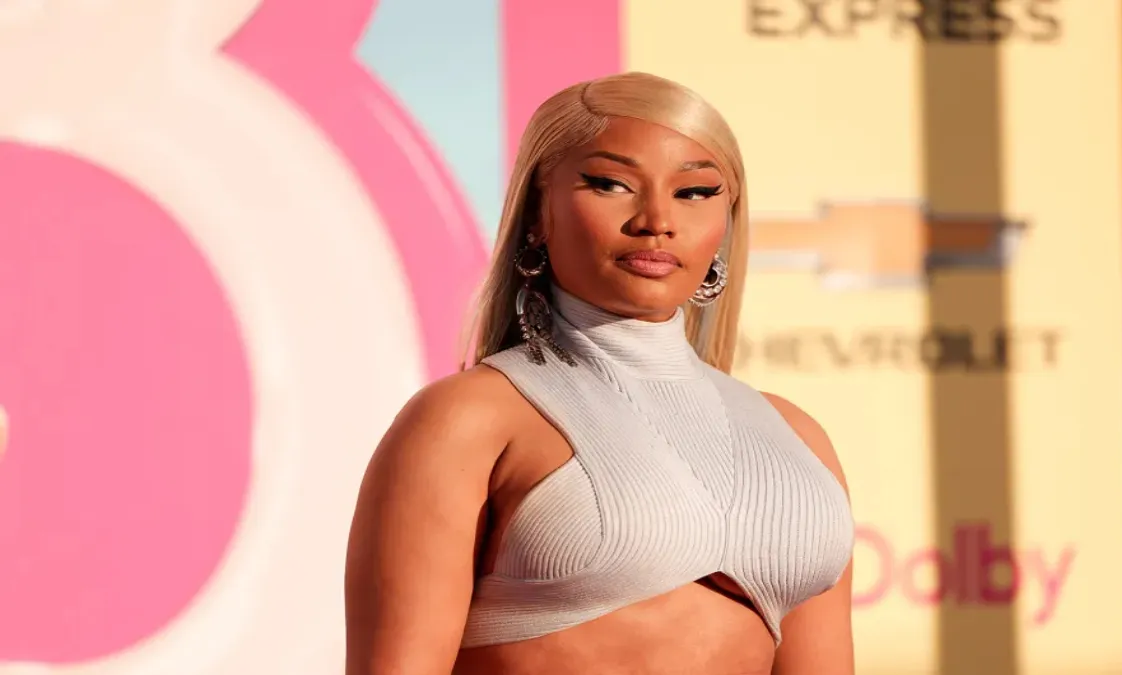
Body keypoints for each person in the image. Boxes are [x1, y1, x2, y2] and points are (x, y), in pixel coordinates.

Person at [344, 72, 855, 675]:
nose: (657, 220)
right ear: (537, 211)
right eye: (610, 184)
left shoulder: (797, 436)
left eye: (694, 192)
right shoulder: (470, 416)